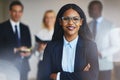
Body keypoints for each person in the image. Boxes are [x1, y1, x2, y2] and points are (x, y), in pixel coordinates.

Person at [37, 3, 99, 80]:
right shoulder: (51, 47)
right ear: (60, 21)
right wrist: (81, 75)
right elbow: (45, 76)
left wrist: (58, 76)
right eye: (66, 19)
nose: (70, 23)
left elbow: (93, 76)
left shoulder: (90, 46)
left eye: (75, 19)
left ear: (81, 22)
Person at [0, 1, 32, 80]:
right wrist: (16, 50)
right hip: (8, 65)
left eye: (19, 11)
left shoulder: (25, 28)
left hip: (24, 67)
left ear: (22, 13)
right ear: (10, 12)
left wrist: (29, 52)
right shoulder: (2, 27)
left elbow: (29, 46)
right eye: (14, 11)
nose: (17, 14)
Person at [88, 1, 115, 80]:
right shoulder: (87, 25)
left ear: (98, 9)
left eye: (90, 9)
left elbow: (116, 45)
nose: (89, 11)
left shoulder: (110, 25)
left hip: (105, 65)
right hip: (90, 66)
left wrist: (101, 53)